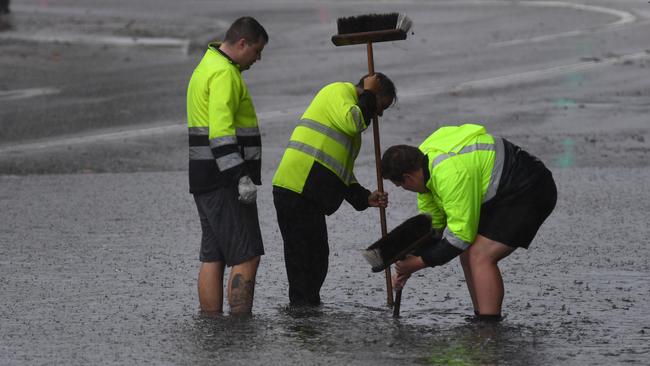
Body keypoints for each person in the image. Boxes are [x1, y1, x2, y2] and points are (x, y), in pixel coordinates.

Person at [381, 123, 557, 321]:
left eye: (400, 186)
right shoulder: (425, 167)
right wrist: (410, 259)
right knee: (467, 254)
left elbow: (460, 237)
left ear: (407, 178)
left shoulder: (449, 175)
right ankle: (481, 316)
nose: (405, 190)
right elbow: (435, 227)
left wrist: (418, 263)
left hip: (529, 188)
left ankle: (489, 328)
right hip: (502, 188)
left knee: (480, 255)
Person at [272, 73, 396, 306]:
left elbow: (339, 169)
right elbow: (354, 121)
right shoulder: (338, 92)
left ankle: (308, 307)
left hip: (310, 195)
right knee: (302, 259)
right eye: (382, 106)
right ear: (373, 93)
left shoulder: (351, 119)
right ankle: (301, 313)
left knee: (318, 258)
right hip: (296, 188)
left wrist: (364, 197)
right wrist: (369, 93)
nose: (379, 114)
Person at [186, 16, 268, 315]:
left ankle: (210, 322)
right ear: (242, 43)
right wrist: (239, 177)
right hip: (225, 180)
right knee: (247, 255)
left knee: (214, 255)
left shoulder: (205, 66)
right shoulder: (224, 74)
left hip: (203, 176)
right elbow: (221, 132)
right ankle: (239, 325)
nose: (257, 59)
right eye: (257, 51)